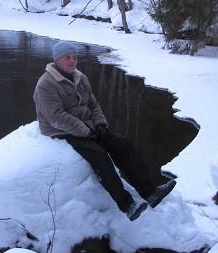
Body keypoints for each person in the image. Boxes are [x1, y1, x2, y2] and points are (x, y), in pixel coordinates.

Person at [33, 40, 176, 221]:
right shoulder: (46, 84)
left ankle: (150, 193)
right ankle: (127, 205)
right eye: (67, 58)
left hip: (88, 126)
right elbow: (56, 117)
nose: (72, 61)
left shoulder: (80, 77)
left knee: (122, 145)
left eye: (75, 57)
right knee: (99, 156)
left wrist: (100, 124)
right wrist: (85, 131)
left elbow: (93, 104)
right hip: (61, 129)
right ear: (57, 60)